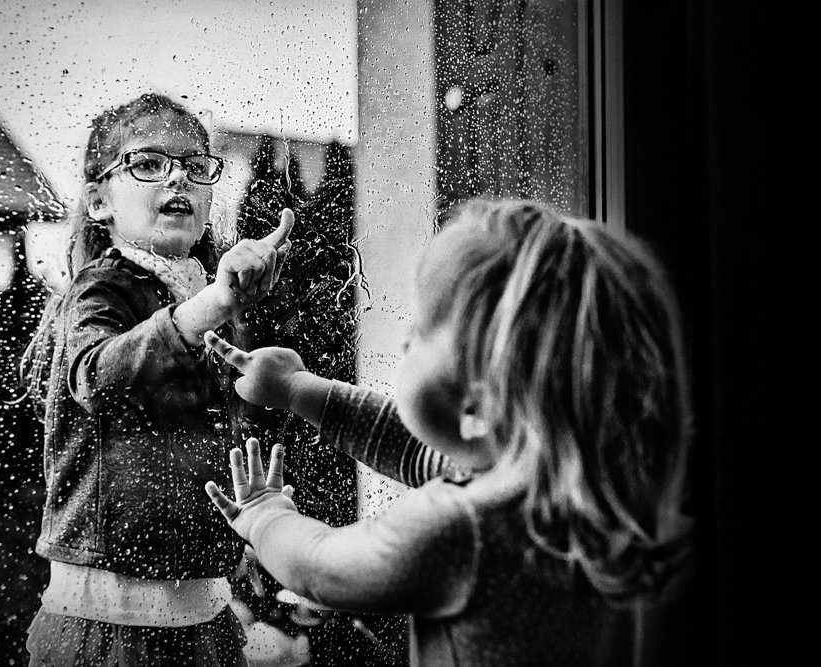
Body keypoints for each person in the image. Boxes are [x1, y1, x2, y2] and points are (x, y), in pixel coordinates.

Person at [203, 197, 694, 665]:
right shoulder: (576, 495)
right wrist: (297, 389)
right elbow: (408, 443)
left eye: (419, 331)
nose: (402, 338)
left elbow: (320, 569)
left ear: (478, 403)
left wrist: (264, 517)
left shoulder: (464, 528)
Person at [18, 91, 294, 666]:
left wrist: (245, 535)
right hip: (103, 622)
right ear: (98, 201)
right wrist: (214, 303)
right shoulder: (101, 289)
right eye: (148, 164)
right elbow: (95, 375)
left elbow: (197, 441)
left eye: (196, 166)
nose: (179, 181)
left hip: (203, 613)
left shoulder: (199, 293)